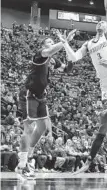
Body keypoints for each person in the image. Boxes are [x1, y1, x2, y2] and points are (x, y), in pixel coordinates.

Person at [57, 0, 107, 173]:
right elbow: (73, 58)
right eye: (98, 22)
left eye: (103, 22)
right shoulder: (89, 44)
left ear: (106, 27)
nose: (100, 22)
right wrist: (64, 43)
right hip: (104, 84)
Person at [16, 30, 75, 179]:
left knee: (42, 127)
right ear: (43, 45)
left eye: (51, 41)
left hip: (42, 96)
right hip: (29, 93)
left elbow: (67, 69)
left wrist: (70, 55)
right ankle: (22, 165)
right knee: (28, 128)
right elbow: (50, 50)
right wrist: (63, 41)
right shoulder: (40, 54)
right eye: (49, 42)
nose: (51, 44)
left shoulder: (52, 61)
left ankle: (27, 157)